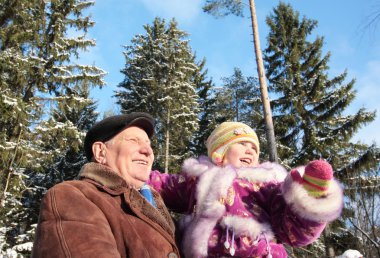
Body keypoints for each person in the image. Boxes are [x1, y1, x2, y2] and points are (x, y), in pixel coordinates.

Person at [149, 121, 344, 258]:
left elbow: (291, 227)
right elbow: (164, 184)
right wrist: (135, 173)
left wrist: (309, 199)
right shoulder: (198, 180)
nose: (250, 150)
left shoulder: (267, 184)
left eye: (254, 148)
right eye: (242, 144)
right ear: (219, 154)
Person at [32, 112, 180, 258]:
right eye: (133, 140)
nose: (147, 151)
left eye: (149, 144)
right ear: (100, 152)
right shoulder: (72, 196)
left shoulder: (159, 209)